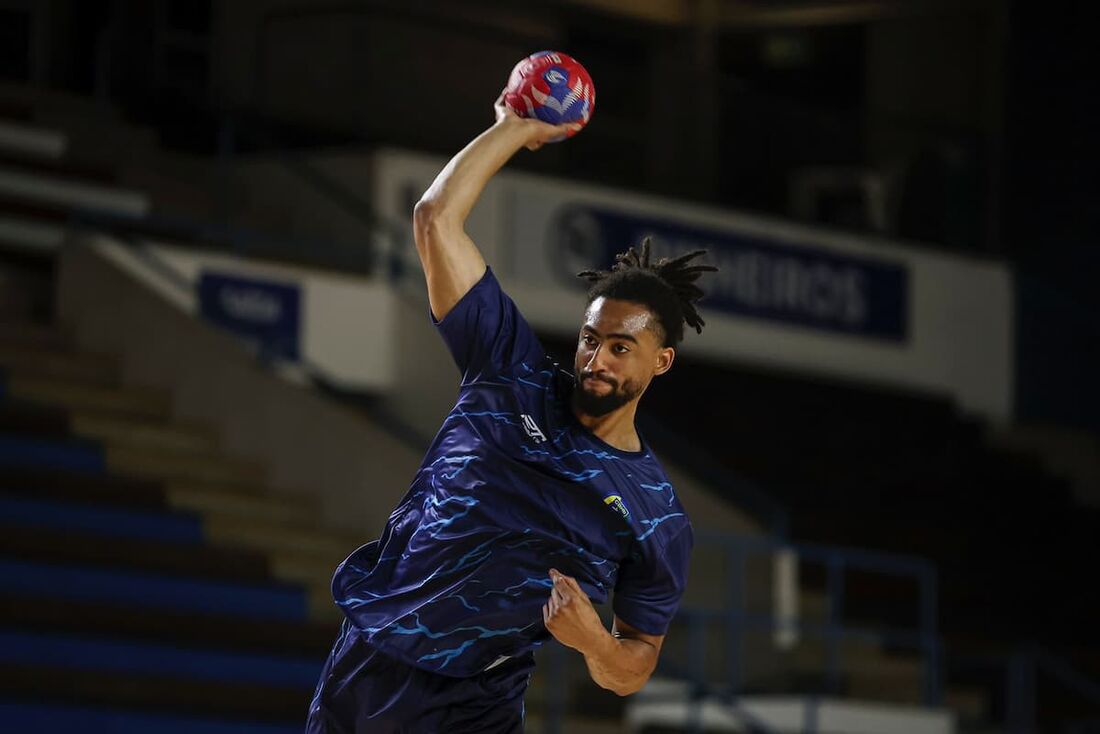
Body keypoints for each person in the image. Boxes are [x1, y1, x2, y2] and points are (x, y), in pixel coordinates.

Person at [306, 94, 716, 734]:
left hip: (478, 700)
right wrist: (513, 128)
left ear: (660, 362)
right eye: (589, 339)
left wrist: (594, 644)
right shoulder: (508, 373)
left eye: (620, 348)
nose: (597, 359)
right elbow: (436, 217)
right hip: (373, 665)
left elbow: (632, 666)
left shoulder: (654, 514)